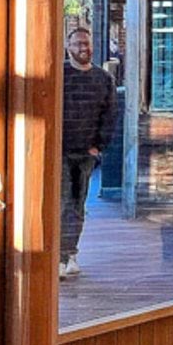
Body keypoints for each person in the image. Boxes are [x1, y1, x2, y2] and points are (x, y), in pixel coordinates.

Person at [61, 24, 117, 281]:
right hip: (59, 151)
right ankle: (61, 256)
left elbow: (110, 116)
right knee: (62, 203)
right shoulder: (59, 75)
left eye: (87, 43)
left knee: (78, 204)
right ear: (68, 47)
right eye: (78, 44)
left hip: (86, 152)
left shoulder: (104, 79)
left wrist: (99, 147)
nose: (84, 48)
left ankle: (70, 253)